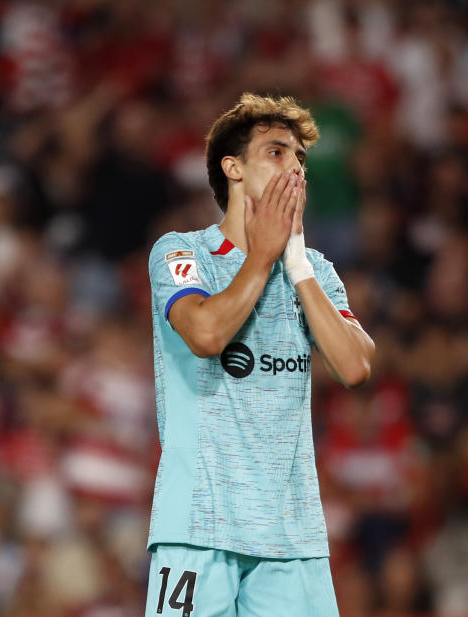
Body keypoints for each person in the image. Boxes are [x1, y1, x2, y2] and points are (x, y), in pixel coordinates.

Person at [144, 93, 375, 617]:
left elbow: (356, 365)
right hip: (198, 529)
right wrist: (263, 255)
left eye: (299, 158)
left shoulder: (316, 269)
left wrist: (294, 263)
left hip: (291, 538)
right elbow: (204, 333)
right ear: (234, 169)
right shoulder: (182, 252)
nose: (294, 167)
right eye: (276, 152)